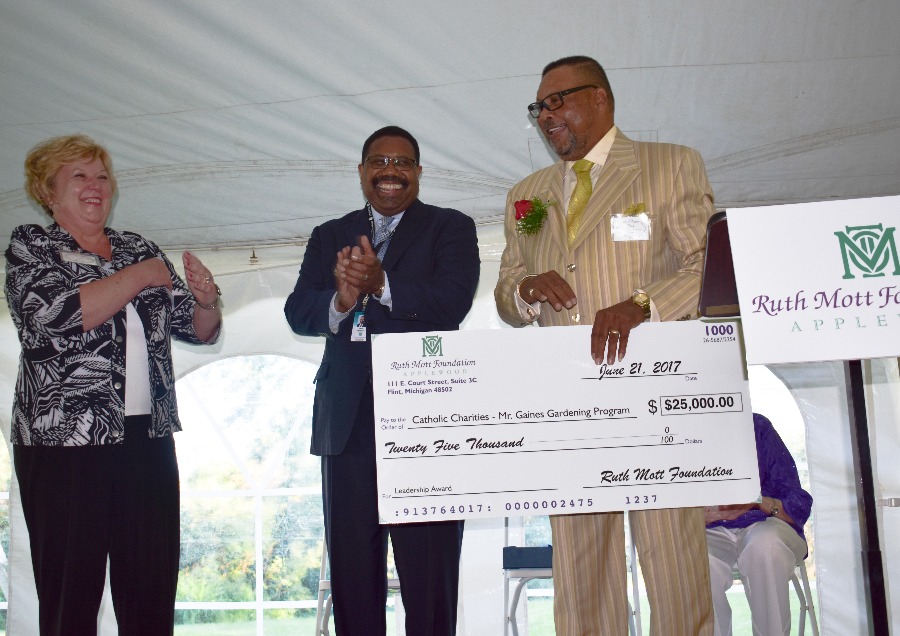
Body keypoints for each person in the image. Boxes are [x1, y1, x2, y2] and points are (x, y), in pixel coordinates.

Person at [495, 55, 717, 635]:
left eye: (557, 101)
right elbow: (503, 291)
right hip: (570, 407)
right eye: (538, 108)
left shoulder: (669, 166)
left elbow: (709, 270)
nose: (546, 118)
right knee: (580, 573)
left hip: (655, 401)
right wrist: (524, 289)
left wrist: (641, 304)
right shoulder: (527, 194)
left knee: (672, 562)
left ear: (600, 99)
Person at [5, 134, 222, 634]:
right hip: (64, 444)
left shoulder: (137, 247)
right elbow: (55, 317)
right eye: (79, 176)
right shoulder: (32, 246)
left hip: (146, 438)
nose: (95, 186)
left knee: (150, 587)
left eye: (102, 176)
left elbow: (197, 329)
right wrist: (141, 276)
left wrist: (208, 301)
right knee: (70, 593)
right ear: (48, 191)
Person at [284, 125, 480, 635]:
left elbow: (452, 300)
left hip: (426, 423)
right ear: (362, 171)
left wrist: (382, 284)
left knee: (430, 574)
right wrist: (342, 302)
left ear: (417, 172)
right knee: (352, 575)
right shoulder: (331, 234)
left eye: (402, 163)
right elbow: (297, 311)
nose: (389, 172)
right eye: (378, 161)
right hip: (346, 426)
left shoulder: (450, 227)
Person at [705, 413, 813, 636]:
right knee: (697, 557)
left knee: (765, 544)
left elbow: (798, 503)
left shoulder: (756, 426)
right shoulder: (676, 431)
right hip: (708, 529)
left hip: (765, 523)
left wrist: (756, 502)